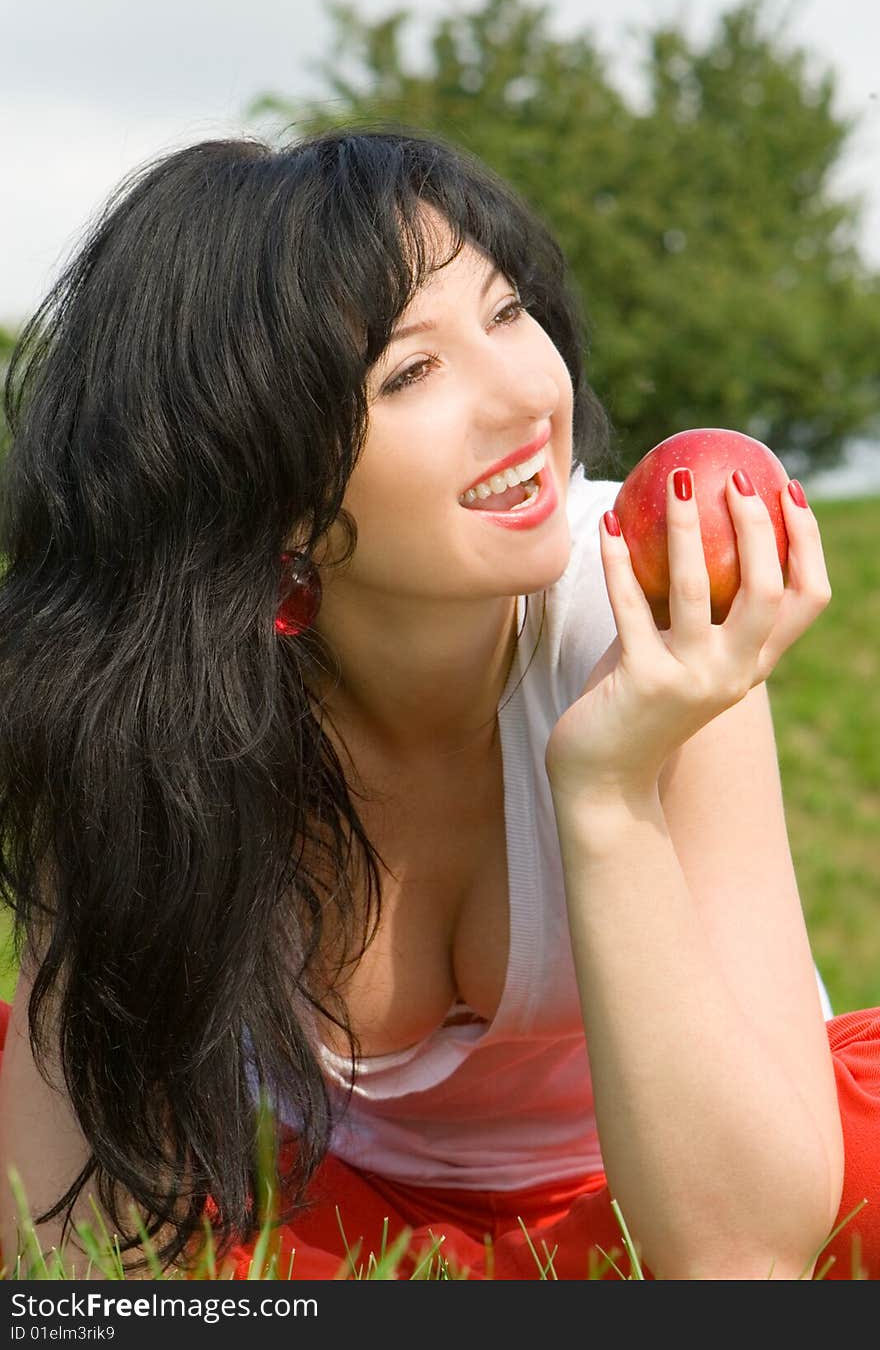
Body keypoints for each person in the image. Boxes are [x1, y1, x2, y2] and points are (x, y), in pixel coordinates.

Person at [0, 127, 877, 1284]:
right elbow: (56, 1239)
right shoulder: (129, 714)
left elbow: (746, 1248)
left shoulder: (646, 609)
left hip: (693, 1164)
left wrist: (609, 788)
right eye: (412, 371)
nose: (524, 394)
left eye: (508, 313)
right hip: (327, 1208)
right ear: (270, 492)